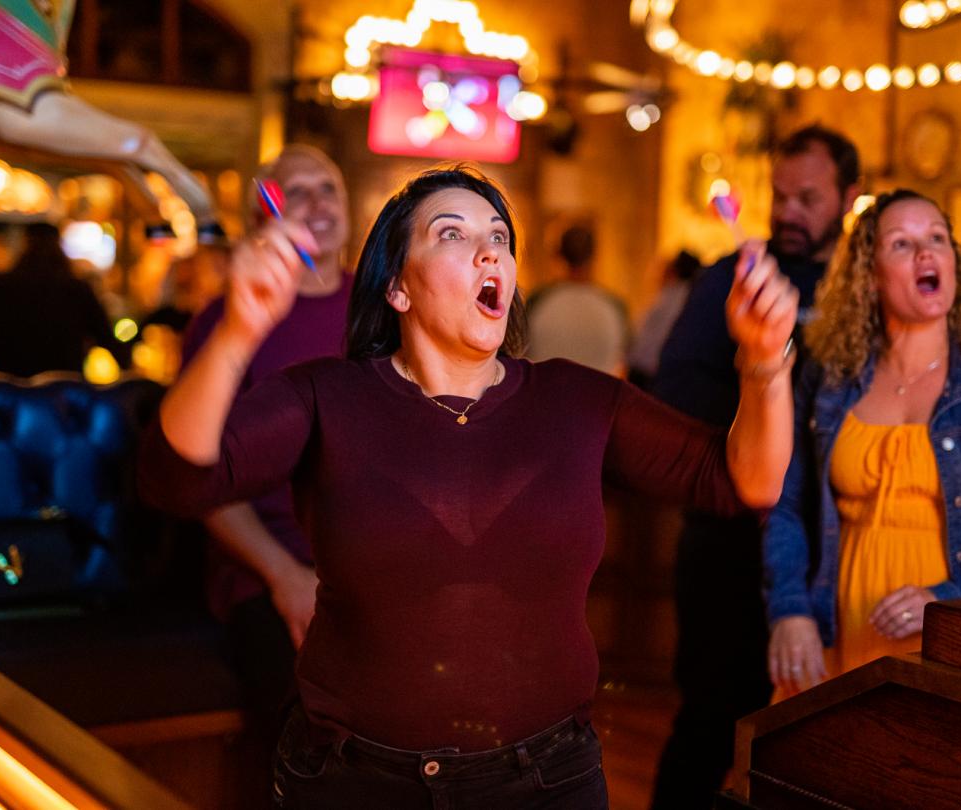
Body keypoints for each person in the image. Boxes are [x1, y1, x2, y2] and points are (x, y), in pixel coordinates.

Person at [139, 164, 797, 809]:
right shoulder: (326, 396)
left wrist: (764, 361)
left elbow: (744, 481)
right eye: (453, 233)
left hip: (546, 783)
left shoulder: (577, 400)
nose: (489, 249)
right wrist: (238, 331)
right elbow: (176, 480)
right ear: (397, 286)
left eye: (500, 237)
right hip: (354, 781)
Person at [649, 125, 861, 810]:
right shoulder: (729, 280)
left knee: (820, 743)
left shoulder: (863, 288)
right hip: (730, 540)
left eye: (809, 197)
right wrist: (764, 380)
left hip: (840, 546)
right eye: (781, 196)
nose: (790, 211)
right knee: (712, 724)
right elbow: (675, 395)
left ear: (849, 197)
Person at [764, 189, 961, 697]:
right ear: (869, 278)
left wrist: (947, 599)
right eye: (902, 244)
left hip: (950, 644)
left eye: (937, 238)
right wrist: (790, 610)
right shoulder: (829, 378)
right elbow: (785, 503)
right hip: (834, 627)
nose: (926, 253)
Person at [178, 144, 352, 747]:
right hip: (270, 565)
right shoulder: (228, 320)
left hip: (373, 564)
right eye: (295, 191)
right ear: (264, 218)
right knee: (314, 738)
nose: (317, 204)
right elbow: (195, 481)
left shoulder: (388, 310)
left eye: (327, 188)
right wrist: (284, 575)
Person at [0, 222, 130, 377]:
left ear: (24, 245)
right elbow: (106, 338)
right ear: (59, 246)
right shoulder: (77, 289)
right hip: (63, 388)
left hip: (10, 390)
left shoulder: (0, 287)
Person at [525, 224, 630, 374]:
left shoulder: (538, 301)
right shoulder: (614, 306)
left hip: (548, 394)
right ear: (594, 254)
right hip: (599, 395)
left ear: (558, 253)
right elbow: (623, 356)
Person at [626, 250, 702, 388]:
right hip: (656, 369)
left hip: (648, 369)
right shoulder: (688, 297)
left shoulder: (672, 296)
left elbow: (646, 334)